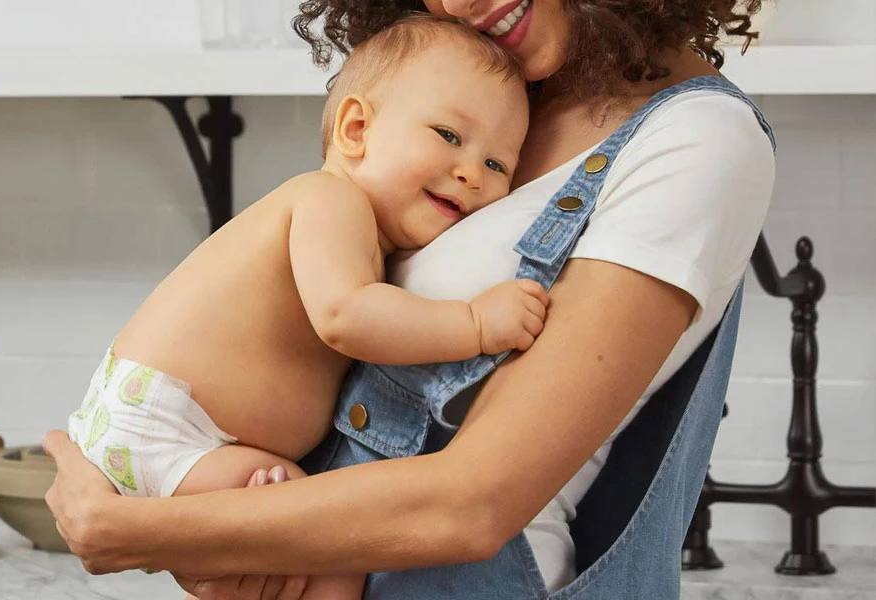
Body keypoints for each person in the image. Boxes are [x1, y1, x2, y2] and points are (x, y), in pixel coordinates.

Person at [43, 1, 776, 598]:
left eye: (493, 164)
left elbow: (475, 504)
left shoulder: (698, 141)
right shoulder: (476, 94)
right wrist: (231, 530)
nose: (458, 4)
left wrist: (139, 531)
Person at [63, 14, 541, 600]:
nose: (471, 173)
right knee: (332, 544)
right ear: (356, 128)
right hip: (163, 424)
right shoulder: (328, 200)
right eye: (448, 135)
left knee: (293, 553)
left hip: (182, 429)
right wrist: (475, 323)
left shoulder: (368, 234)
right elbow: (346, 317)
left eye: (498, 165)